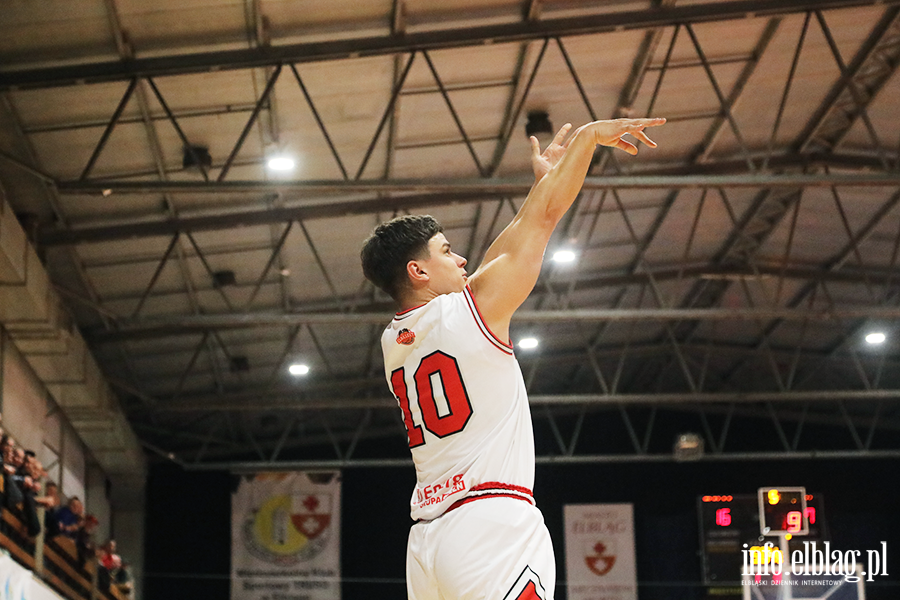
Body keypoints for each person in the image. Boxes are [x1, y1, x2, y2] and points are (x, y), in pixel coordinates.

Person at [360, 117, 665, 600]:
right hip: (490, 525)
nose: (461, 260)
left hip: (427, 543)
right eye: (447, 251)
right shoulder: (472, 309)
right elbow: (539, 225)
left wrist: (544, 184)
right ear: (417, 270)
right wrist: (589, 139)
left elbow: (505, 248)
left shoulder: (394, 339)